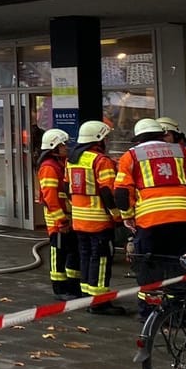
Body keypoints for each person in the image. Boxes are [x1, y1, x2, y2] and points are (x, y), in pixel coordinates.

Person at [113, 118, 186, 320]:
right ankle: (181, 313)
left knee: (149, 268)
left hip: (151, 221)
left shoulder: (130, 156)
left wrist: (127, 217)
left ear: (138, 138)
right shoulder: (182, 151)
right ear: (161, 134)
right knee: (183, 266)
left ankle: (151, 314)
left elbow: (122, 193)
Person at [67, 120, 125, 315]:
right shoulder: (101, 161)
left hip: (79, 220)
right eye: (105, 137)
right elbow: (108, 191)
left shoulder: (72, 159)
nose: (107, 140)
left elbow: (68, 189)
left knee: (85, 256)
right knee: (100, 259)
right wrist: (118, 216)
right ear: (98, 138)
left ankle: (87, 296)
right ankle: (100, 302)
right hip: (99, 220)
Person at [38, 128, 79, 300]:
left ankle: (72, 286)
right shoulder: (49, 167)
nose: (66, 147)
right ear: (54, 146)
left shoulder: (60, 164)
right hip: (58, 221)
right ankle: (59, 288)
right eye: (63, 145)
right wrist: (61, 221)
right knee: (58, 253)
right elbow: (50, 197)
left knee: (71, 251)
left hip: (66, 217)